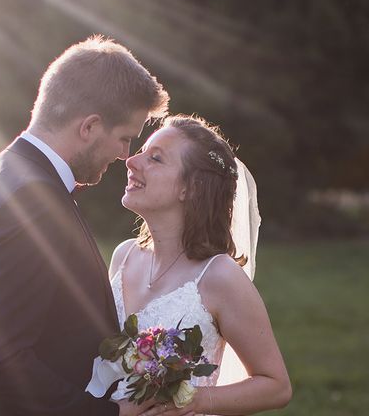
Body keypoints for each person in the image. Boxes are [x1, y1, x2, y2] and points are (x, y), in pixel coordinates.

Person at [0, 35, 169, 416]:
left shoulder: (7, 169)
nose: (125, 156)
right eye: (125, 138)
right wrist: (111, 413)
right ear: (89, 127)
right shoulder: (36, 200)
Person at [107, 114, 291, 415]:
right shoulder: (123, 257)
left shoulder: (219, 276)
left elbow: (276, 385)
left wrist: (195, 400)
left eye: (155, 158)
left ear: (189, 189)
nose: (132, 161)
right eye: (142, 152)